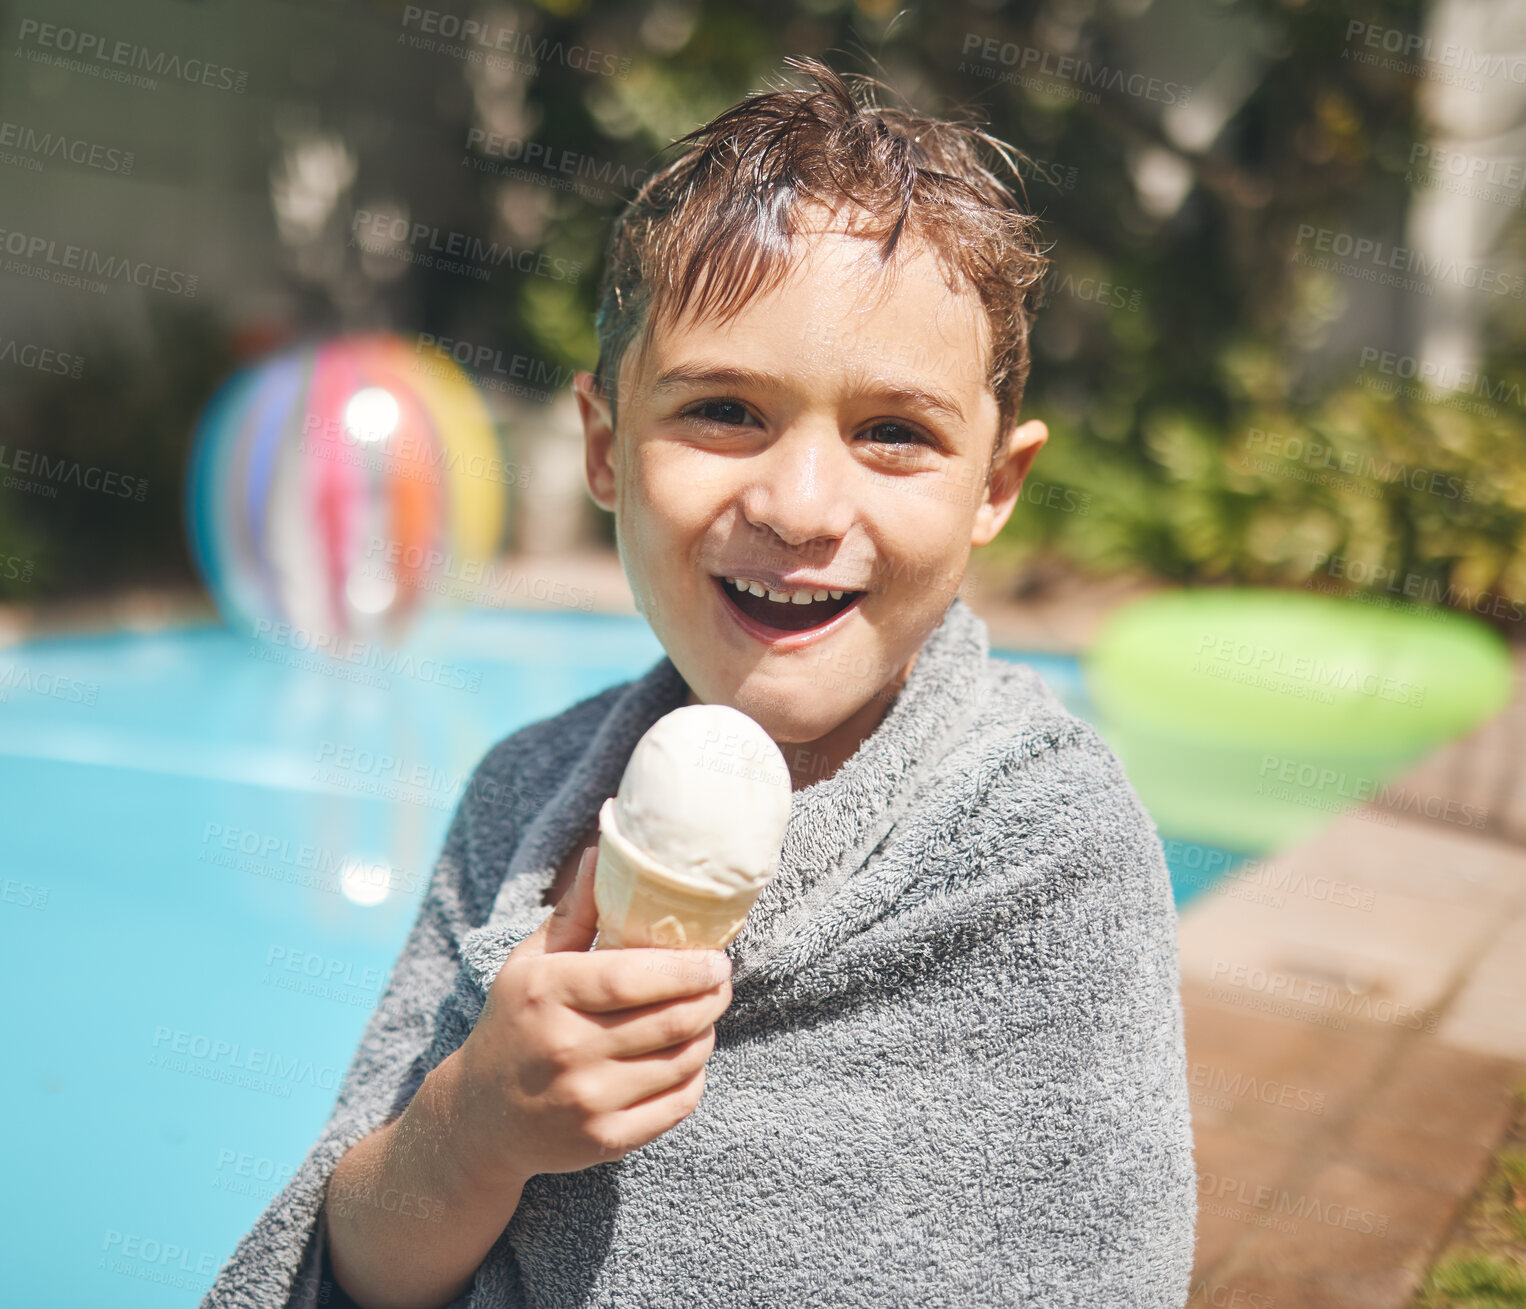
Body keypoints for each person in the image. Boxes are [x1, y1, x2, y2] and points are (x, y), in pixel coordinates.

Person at [200, 55, 1196, 1309]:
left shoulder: (1043, 847)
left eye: (895, 432)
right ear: (605, 450)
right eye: (723, 410)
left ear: (995, 485)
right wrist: (470, 1129)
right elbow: (345, 1270)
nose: (797, 505)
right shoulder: (522, 801)